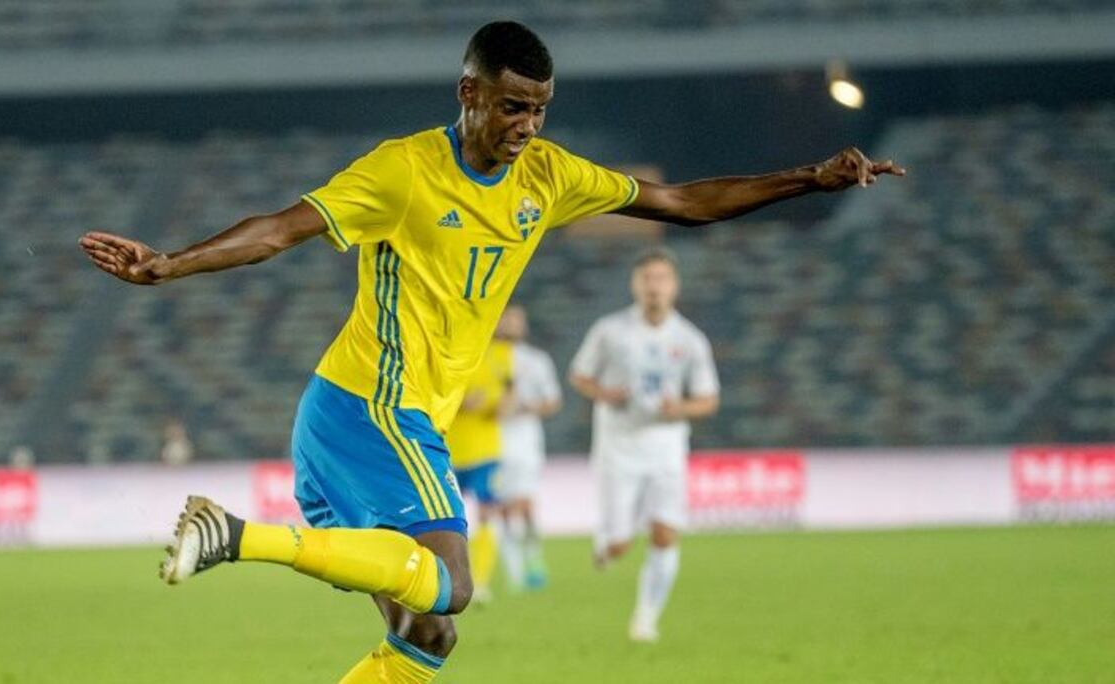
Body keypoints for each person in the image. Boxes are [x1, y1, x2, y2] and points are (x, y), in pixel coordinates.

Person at [79, 19, 903, 683]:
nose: (527, 126)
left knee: (425, 637)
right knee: (457, 585)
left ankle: (249, 542)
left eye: (539, 109)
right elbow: (283, 229)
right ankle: (234, 533)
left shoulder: (546, 176)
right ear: (469, 93)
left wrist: (808, 178)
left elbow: (682, 201)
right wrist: (171, 263)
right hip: (371, 407)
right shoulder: (403, 171)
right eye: (512, 107)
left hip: (369, 417)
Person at [569, 248, 720, 643]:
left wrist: (681, 407)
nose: (654, 286)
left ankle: (646, 618)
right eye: (647, 279)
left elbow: (708, 398)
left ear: (674, 286)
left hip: (666, 446)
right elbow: (580, 375)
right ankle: (607, 545)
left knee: (665, 533)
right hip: (618, 447)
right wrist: (604, 393)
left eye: (662, 279)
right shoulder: (610, 330)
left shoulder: (690, 339)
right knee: (620, 545)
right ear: (635, 284)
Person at [494, 304, 561, 591]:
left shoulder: (537, 360)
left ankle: (533, 557)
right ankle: (515, 571)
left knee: (526, 502)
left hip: (526, 437)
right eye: (505, 319)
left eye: (515, 320)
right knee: (503, 506)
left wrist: (530, 406)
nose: (510, 324)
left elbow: (552, 400)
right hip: (494, 437)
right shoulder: (483, 359)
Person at [445, 335, 512, 603]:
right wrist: (460, 404)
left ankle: (480, 581)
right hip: (449, 452)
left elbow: (508, 394)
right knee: (448, 518)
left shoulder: (501, 353)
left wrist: (498, 407)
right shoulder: (448, 349)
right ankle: (449, 579)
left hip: (486, 451)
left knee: (487, 512)